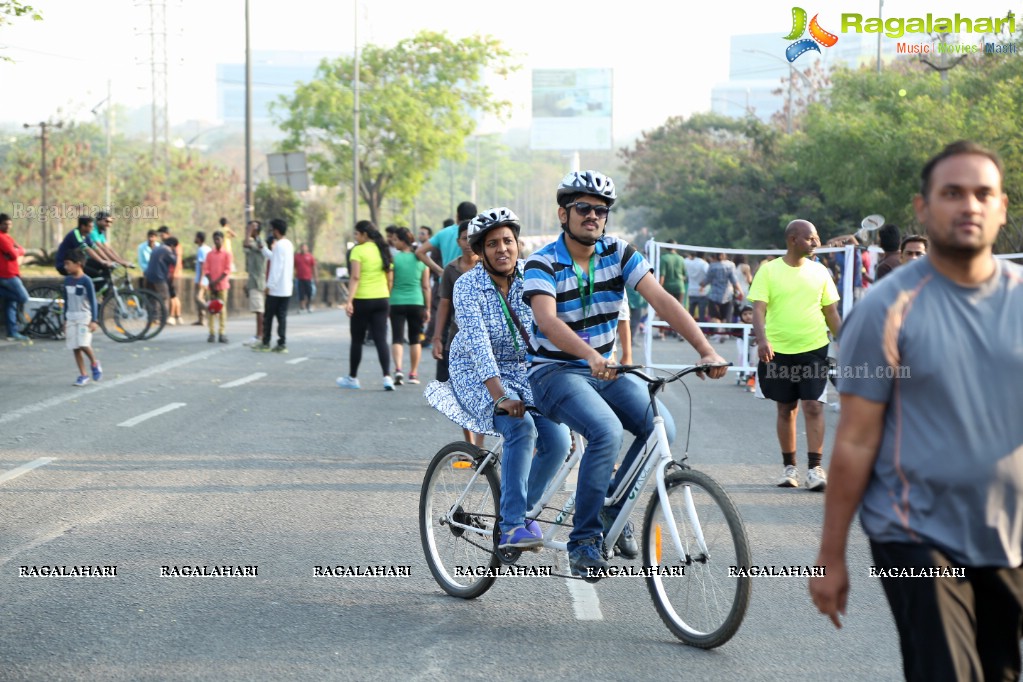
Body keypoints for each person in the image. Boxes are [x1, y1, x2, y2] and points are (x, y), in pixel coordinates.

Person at [809, 140, 1023, 682]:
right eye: (952, 193)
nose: (969, 205)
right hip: (912, 532)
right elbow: (855, 441)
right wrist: (831, 556)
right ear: (924, 208)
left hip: (1009, 535)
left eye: (983, 194)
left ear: (1001, 208)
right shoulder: (883, 310)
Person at [524, 170, 728, 578]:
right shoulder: (542, 261)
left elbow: (662, 300)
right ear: (564, 214)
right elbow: (547, 322)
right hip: (553, 372)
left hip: (605, 370)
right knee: (606, 431)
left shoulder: (619, 253)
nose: (593, 216)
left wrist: (705, 349)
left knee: (662, 430)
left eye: (601, 210)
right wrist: (589, 355)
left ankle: (610, 506)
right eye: (583, 208)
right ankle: (583, 542)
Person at [427, 207, 571, 548]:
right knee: (521, 427)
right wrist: (500, 396)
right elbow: (478, 345)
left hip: (522, 371)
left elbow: (554, 327)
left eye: (508, 241)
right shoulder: (467, 286)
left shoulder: (533, 276)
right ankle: (509, 527)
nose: (502, 249)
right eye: (492, 244)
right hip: (475, 372)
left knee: (559, 440)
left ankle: (524, 513)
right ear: (480, 251)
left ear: (518, 244)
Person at [748, 219, 841, 491]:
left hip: (813, 348)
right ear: (793, 240)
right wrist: (762, 340)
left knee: (813, 405)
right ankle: (789, 467)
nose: (817, 242)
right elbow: (758, 310)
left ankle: (815, 469)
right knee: (786, 408)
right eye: (812, 238)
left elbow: (831, 312)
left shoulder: (821, 272)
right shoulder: (768, 271)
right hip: (777, 350)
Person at [431, 220, 484, 446]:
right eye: (465, 238)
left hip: (486, 339)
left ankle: (480, 445)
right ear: (458, 241)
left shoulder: (487, 266)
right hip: (457, 338)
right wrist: (436, 337)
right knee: (462, 393)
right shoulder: (451, 270)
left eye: (473, 238)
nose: (469, 243)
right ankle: (469, 443)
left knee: (486, 392)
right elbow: (444, 304)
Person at [336, 221, 394, 389]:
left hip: (362, 300)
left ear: (364, 234)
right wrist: (386, 294)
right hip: (382, 298)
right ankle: (387, 378)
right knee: (381, 340)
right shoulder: (383, 249)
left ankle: (353, 378)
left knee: (357, 340)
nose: (355, 237)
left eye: (357, 234)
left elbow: (355, 277)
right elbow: (390, 277)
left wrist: (349, 301)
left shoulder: (358, 250)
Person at [387, 227, 429, 385]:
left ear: (403, 241)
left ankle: (398, 370)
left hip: (396, 302)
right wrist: (428, 307)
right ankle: (413, 373)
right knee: (415, 339)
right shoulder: (420, 259)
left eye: (396, 239)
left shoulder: (394, 259)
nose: (393, 242)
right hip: (416, 302)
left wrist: (388, 300)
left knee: (397, 337)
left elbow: (390, 282)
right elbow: (426, 286)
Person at [61, 249, 102, 387]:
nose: (66, 267)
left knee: (83, 343)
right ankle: (83, 375)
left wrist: (94, 320)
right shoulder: (67, 281)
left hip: (84, 317)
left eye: (68, 264)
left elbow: (93, 301)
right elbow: (66, 301)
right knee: (75, 346)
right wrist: (65, 319)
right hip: (71, 316)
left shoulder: (86, 281)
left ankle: (94, 363)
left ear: (78, 264)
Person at [254, 219, 294, 353]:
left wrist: (269, 286)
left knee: (269, 316)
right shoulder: (288, 244)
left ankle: (266, 342)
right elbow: (274, 258)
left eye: (272, 230)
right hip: (286, 288)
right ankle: (282, 343)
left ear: (276, 230)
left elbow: (276, 268)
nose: (272, 232)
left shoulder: (279, 246)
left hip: (276, 289)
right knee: (282, 317)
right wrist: (264, 249)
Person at [0, 213, 31, 342]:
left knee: (10, 304)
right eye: (5, 224)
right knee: (23, 297)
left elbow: (22, 250)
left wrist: (16, 251)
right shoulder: (1, 238)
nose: (8, 226)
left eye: (10, 224)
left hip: (12, 273)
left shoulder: (7, 237)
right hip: (7, 275)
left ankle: (12, 332)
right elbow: (14, 254)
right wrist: (15, 251)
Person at [700, 251, 743, 337]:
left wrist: (702, 285)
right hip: (727, 295)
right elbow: (734, 280)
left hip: (714, 295)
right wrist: (740, 291)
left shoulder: (712, 266)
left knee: (715, 316)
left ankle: (718, 330)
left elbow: (707, 279)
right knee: (725, 316)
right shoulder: (730, 265)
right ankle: (724, 331)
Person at [242, 220, 268, 346]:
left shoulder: (260, 242)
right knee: (258, 309)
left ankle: (260, 335)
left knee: (259, 310)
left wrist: (249, 231)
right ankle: (259, 335)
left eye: (251, 228)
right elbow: (245, 245)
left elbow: (246, 243)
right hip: (253, 280)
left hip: (258, 281)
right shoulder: (253, 243)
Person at [203, 230, 232, 343]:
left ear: (222, 240)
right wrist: (211, 282)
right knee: (211, 309)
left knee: (222, 310)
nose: (217, 241)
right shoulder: (209, 254)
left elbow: (227, 270)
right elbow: (206, 269)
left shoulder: (227, 254)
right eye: (215, 239)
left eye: (218, 239)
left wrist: (216, 282)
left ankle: (222, 333)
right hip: (211, 286)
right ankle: (211, 333)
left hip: (222, 285)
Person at [157, 225, 184, 325]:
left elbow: (177, 261)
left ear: (168, 234)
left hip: (174, 273)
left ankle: (172, 316)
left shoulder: (175, 245)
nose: (161, 237)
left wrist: (173, 274)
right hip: (171, 273)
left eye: (162, 235)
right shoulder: (167, 245)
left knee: (172, 295)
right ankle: (178, 316)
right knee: (174, 296)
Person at [658, 242, 686, 339]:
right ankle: (679, 332)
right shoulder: (681, 258)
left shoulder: (664, 258)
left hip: (667, 287)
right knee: (679, 310)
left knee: (664, 310)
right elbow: (684, 275)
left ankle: (662, 332)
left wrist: (659, 289)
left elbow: (662, 275)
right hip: (679, 286)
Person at [145, 237, 178, 317]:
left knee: (153, 296)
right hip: (159, 276)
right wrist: (174, 252)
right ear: (172, 245)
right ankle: (163, 317)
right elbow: (174, 261)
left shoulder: (156, 248)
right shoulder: (167, 250)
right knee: (164, 296)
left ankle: (153, 316)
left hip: (148, 275)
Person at [192, 231, 211, 326]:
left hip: (202, 279)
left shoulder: (202, 250)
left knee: (198, 298)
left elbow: (203, 265)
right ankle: (201, 319)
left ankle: (210, 309)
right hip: (207, 279)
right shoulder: (208, 249)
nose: (194, 239)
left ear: (199, 239)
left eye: (195, 237)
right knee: (202, 297)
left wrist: (200, 279)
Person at [683, 251, 709, 322]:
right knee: (701, 314)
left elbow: (685, 260)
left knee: (690, 314)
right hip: (702, 291)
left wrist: (690, 257)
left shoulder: (689, 263)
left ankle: (688, 330)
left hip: (691, 290)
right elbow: (709, 275)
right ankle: (701, 331)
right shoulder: (704, 264)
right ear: (704, 256)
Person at [294, 243, 317, 313]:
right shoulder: (296, 256)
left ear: (307, 248)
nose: (303, 249)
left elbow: (314, 267)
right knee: (300, 293)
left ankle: (308, 305)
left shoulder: (310, 256)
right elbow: (293, 266)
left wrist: (316, 277)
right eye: (302, 247)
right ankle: (301, 307)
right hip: (299, 278)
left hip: (308, 278)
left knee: (309, 292)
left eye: (304, 247)